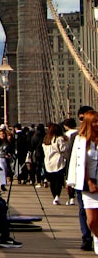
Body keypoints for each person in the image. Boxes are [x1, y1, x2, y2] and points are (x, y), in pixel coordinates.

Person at [67, 107, 96, 251]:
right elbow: (72, 159)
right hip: (83, 182)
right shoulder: (77, 138)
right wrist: (70, 180)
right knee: (86, 214)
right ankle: (88, 237)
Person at [42, 121, 69, 204]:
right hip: (58, 162)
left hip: (48, 162)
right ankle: (57, 196)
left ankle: (54, 196)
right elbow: (63, 149)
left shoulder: (46, 139)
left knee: (52, 181)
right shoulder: (59, 139)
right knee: (59, 180)